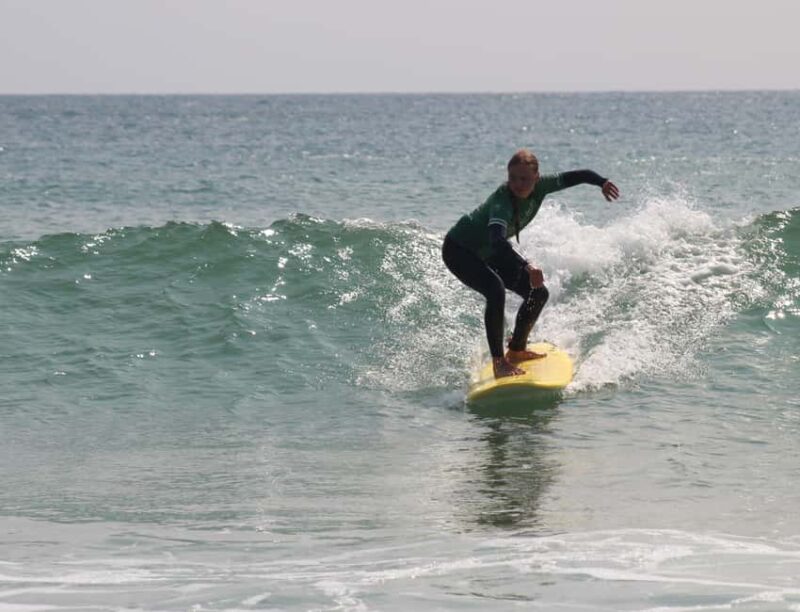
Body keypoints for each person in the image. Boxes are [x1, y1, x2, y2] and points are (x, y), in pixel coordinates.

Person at [442, 149, 619, 378]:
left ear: (536, 177)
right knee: (495, 290)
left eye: (524, 178)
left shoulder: (542, 186)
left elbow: (579, 175)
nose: (518, 184)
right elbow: (497, 240)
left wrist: (601, 182)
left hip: (487, 251)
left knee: (538, 293)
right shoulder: (502, 202)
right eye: (513, 178)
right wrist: (527, 266)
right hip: (459, 249)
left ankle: (516, 349)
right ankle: (499, 362)